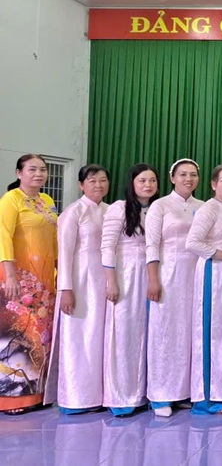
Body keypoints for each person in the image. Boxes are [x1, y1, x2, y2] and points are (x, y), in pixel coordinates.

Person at [47, 164, 110, 413]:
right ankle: (75, 398)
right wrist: (66, 289)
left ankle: (100, 395)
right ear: (81, 185)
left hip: (104, 279)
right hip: (80, 280)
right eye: (92, 181)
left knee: (100, 337)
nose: (98, 185)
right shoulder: (73, 212)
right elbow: (65, 253)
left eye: (103, 180)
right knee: (79, 336)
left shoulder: (110, 211)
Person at [144, 158, 203, 417]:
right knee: (165, 331)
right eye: (182, 174)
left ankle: (183, 391)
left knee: (190, 332)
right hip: (169, 273)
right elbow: (152, 244)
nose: (188, 179)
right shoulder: (160, 206)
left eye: (193, 175)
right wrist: (153, 279)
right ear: (172, 178)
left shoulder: (203, 207)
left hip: (196, 274)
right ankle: (160, 395)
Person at [0, 154, 58, 414]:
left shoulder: (47, 201)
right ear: (19, 173)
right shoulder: (10, 199)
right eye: (32, 169)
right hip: (18, 277)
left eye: (42, 170)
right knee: (18, 335)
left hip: (44, 280)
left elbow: (55, 238)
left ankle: (38, 394)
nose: (38, 174)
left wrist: (59, 269)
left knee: (40, 336)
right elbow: (2, 236)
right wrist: (10, 274)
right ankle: (11, 399)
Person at [101, 163, 158, 416]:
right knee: (124, 333)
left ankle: (145, 393)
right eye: (142, 180)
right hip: (126, 275)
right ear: (132, 184)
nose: (148, 185)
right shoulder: (119, 208)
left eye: (152, 180)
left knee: (149, 333)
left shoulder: (158, 209)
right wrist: (111, 280)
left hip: (152, 273)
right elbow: (107, 246)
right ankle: (122, 396)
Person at [185, 164, 222, 414]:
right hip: (214, 271)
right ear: (213, 184)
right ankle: (206, 397)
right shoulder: (208, 208)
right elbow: (192, 242)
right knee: (212, 331)